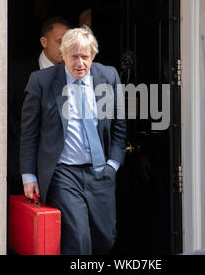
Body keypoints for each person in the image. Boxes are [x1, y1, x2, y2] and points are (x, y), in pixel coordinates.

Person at [19, 27, 127, 255]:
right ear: (63, 55)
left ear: (93, 56)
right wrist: (29, 176)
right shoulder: (42, 81)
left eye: (85, 57)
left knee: (105, 238)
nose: (80, 63)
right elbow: (29, 133)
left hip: (100, 172)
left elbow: (119, 126)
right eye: (74, 56)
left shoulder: (109, 76)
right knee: (79, 240)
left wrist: (113, 165)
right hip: (63, 174)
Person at [7, 17, 70, 196]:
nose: (65, 47)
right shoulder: (18, 72)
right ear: (44, 41)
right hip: (20, 168)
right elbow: (6, 115)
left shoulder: (75, 72)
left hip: (62, 171)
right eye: (59, 42)